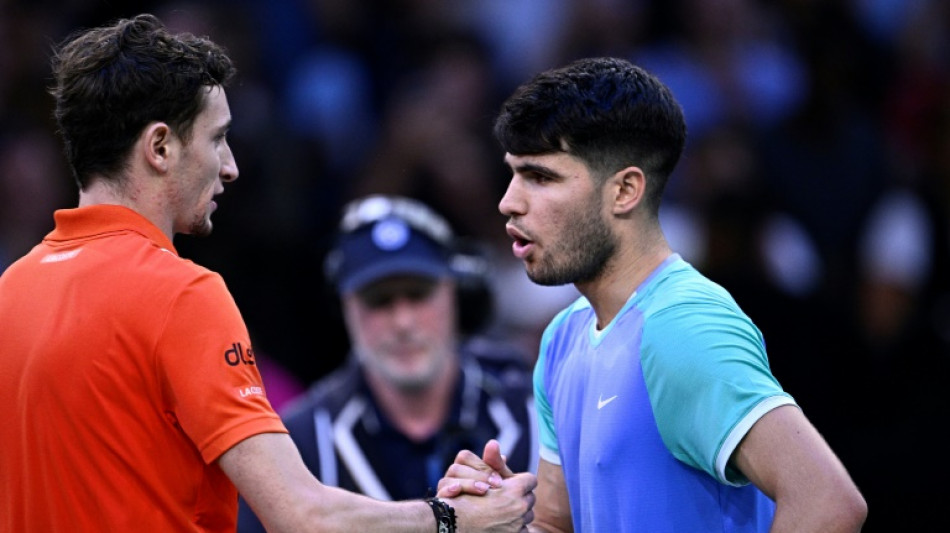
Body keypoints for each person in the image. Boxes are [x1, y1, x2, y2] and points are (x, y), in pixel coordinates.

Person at [0, 13, 535, 532]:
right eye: (217, 138)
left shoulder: (10, 290)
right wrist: (452, 520)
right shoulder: (182, 294)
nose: (230, 165)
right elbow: (303, 517)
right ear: (160, 147)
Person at [437, 57, 867, 532]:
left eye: (541, 177)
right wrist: (494, 517)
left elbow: (827, 503)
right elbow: (557, 525)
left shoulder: (683, 326)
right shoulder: (564, 335)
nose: (509, 201)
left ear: (624, 191)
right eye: (514, 174)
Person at [238, 194, 540, 531]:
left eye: (418, 294)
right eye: (378, 301)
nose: (403, 323)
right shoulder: (301, 442)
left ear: (456, 292)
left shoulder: (534, 410)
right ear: (345, 307)